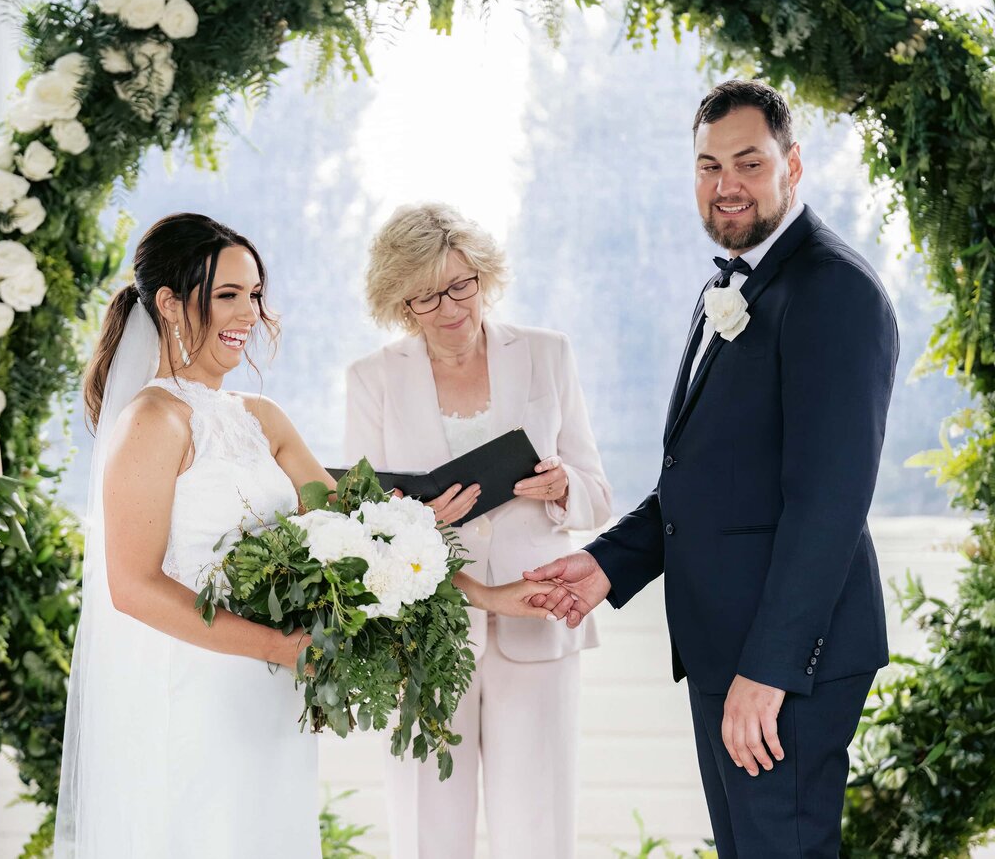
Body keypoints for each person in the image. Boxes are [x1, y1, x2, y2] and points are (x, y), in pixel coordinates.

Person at [55, 212, 548, 858]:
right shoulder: (153, 419)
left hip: (272, 691)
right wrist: (278, 647)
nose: (247, 314)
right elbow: (134, 587)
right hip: (197, 690)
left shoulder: (262, 417)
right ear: (171, 305)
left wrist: (487, 594)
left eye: (254, 294)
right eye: (227, 295)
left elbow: (362, 534)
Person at [526, 80, 898, 858]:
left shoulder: (832, 291)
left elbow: (827, 505)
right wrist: (605, 565)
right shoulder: (726, 284)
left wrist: (770, 672)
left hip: (786, 659)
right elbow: (707, 476)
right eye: (707, 165)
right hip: (724, 650)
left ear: (793, 165)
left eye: (748, 162)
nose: (726, 184)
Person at [346, 202, 614, 859]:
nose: (449, 308)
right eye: (425, 297)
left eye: (460, 285)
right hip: (425, 636)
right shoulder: (371, 380)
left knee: (538, 831)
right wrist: (416, 521)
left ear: (483, 277)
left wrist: (562, 489)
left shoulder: (549, 355)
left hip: (539, 619)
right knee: (427, 832)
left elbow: (597, 495)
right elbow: (360, 523)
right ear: (399, 304)